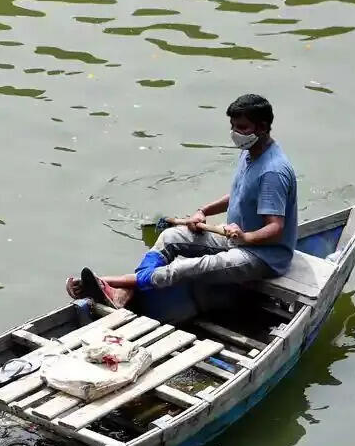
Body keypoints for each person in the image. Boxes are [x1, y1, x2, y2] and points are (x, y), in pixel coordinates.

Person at [67, 93, 299, 309]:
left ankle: (107, 282)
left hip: (262, 256)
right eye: (232, 126)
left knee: (186, 267)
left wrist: (246, 237)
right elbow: (240, 194)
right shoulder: (250, 152)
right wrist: (202, 210)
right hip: (234, 240)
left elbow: (276, 228)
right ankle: (127, 288)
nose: (234, 133)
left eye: (241, 127)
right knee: (170, 237)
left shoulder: (272, 172)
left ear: (261, 128)